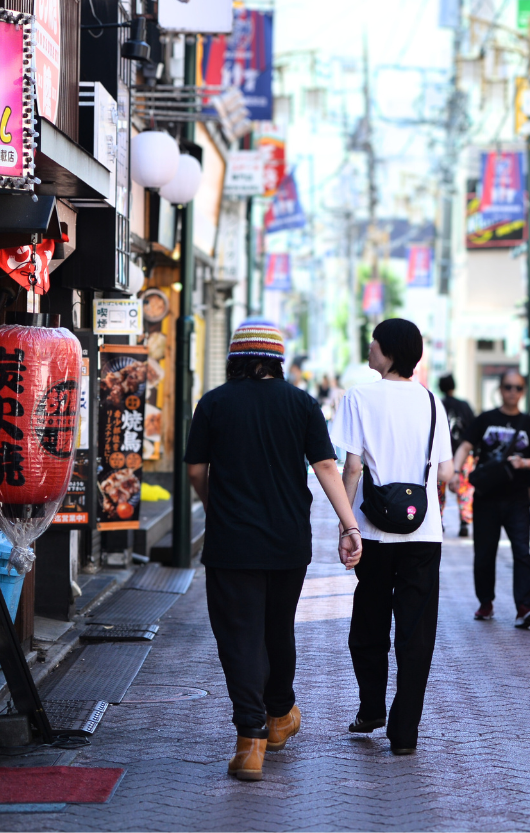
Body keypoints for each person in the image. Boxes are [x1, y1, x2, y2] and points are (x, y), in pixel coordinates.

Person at [185, 319, 362, 783]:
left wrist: (216, 507)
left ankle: (250, 742)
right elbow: (326, 465)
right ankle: (280, 714)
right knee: (278, 628)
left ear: (235, 358)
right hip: (287, 542)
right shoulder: (301, 403)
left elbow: (196, 472)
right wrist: (349, 525)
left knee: (239, 638)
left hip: (231, 545)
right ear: (278, 360)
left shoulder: (214, 403)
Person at [333, 319, 454, 756]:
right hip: (424, 533)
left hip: (373, 532)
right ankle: (405, 733)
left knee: (369, 625)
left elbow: (351, 468)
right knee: (416, 633)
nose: (369, 347)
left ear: (387, 351)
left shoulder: (359, 396)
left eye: (374, 341)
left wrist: (347, 525)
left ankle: (371, 709)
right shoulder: (431, 401)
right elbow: (444, 473)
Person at [450, 369, 530, 628]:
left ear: (523, 391)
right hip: (486, 498)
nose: (512, 392)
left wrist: (523, 462)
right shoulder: (485, 419)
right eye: (508, 387)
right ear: (500, 389)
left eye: (517, 388)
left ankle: (524, 608)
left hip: (517, 500)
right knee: (484, 553)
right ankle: (485, 602)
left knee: (522, 553)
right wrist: (456, 472)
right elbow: (465, 446)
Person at [438, 374, 475, 536]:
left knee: (439, 488)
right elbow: (474, 428)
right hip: (464, 453)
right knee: (464, 488)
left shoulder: (438, 404)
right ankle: (464, 521)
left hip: (441, 454)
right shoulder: (464, 406)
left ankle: (439, 520)